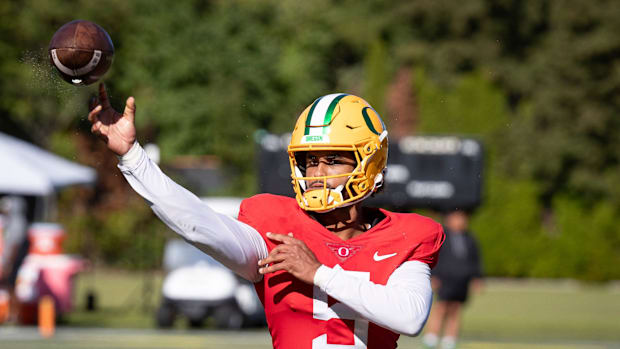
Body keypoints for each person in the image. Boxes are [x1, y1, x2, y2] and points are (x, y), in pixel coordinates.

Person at [88, 83, 445, 349]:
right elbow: (198, 225)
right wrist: (133, 157)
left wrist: (318, 273)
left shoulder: (407, 235)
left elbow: (409, 316)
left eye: (333, 160)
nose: (317, 173)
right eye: (310, 160)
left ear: (370, 162)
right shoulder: (276, 232)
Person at [421, 210, 483, 349]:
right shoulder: (442, 237)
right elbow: (434, 257)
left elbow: (475, 260)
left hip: (462, 279)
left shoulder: (470, 239)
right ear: (449, 220)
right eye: (457, 218)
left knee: (456, 309)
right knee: (441, 307)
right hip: (445, 278)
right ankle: (431, 338)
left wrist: (477, 277)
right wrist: (433, 276)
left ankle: (450, 340)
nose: (461, 222)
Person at [0, 195, 29, 322]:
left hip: (14, 260)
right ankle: (11, 313)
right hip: (11, 259)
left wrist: (9, 263)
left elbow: (15, 245)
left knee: (11, 285)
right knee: (9, 286)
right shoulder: (12, 221)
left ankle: (14, 314)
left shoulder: (17, 222)